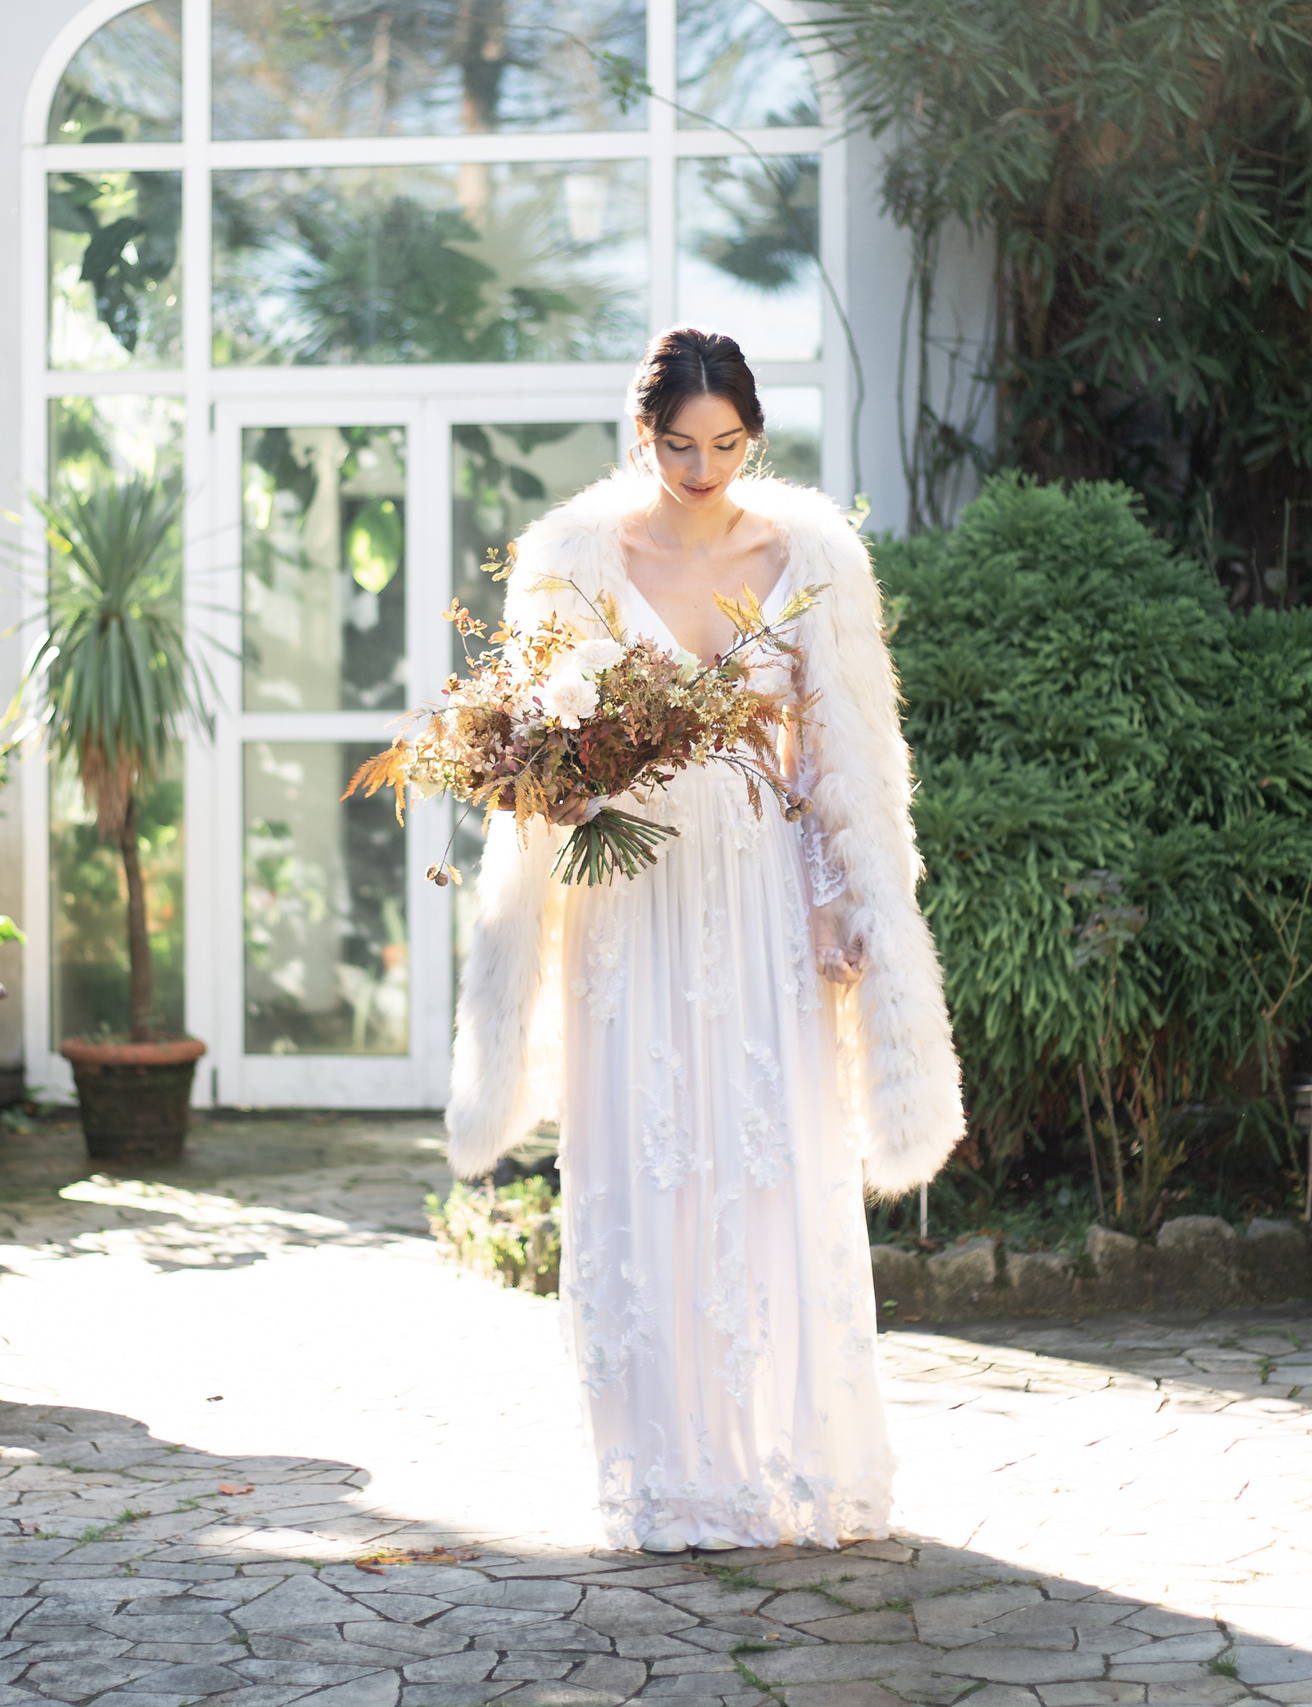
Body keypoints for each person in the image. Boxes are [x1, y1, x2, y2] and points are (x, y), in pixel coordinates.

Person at [447, 326, 961, 1552]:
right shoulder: (574, 556)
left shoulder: (809, 552)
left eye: (726, 445)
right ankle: (666, 1475)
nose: (702, 467)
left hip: (761, 887)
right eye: (679, 445)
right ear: (643, 434)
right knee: (647, 1156)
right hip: (628, 895)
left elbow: (843, 754)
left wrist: (846, 892)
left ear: (754, 437)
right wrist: (557, 775)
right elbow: (530, 752)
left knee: (771, 1155)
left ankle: (794, 1462)